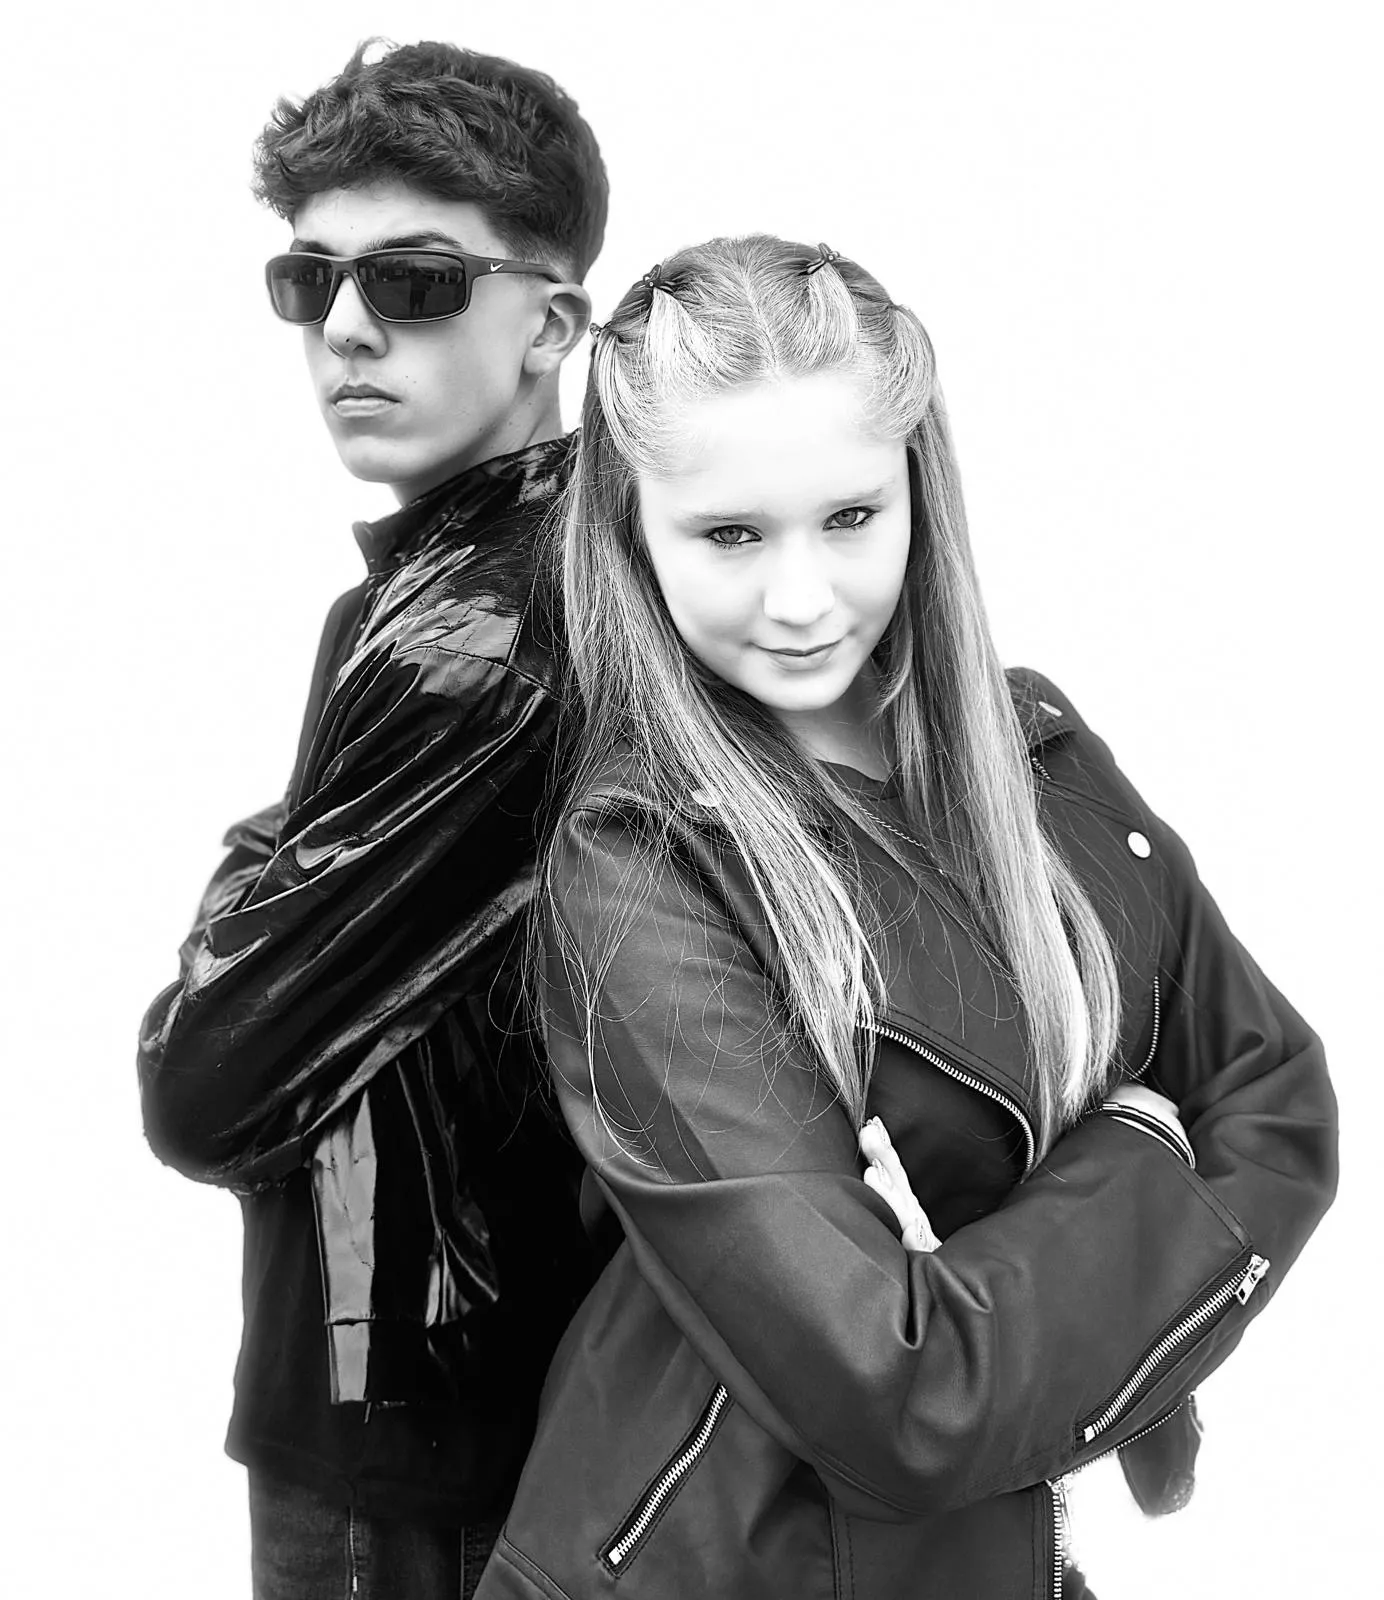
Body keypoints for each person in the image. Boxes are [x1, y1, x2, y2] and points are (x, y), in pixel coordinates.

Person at [476, 237, 1339, 1599]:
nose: (803, 599)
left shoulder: (1037, 753)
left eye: (851, 517)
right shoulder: (642, 862)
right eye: (730, 534)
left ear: (918, 488)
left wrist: (976, 1289)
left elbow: (1279, 1101)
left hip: (996, 1554)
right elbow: (904, 1396)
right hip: (711, 1568)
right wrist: (1144, 1142)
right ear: (630, 528)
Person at [136, 40, 607, 1600]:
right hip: (479, 1393)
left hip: (406, 1416)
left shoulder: (476, 634)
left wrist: (244, 863)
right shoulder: (515, 577)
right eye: (309, 280)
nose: (345, 326)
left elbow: (204, 1084)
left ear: (554, 324)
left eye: (413, 281)